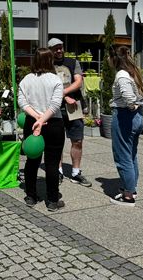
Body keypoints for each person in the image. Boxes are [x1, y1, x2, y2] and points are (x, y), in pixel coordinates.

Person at [18, 47, 65, 211]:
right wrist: (43, 119)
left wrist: (37, 118)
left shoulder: (26, 79)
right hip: (53, 123)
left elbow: (22, 102)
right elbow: (55, 105)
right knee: (52, 163)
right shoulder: (56, 80)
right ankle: (52, 200)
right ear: (50, 61)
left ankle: (31, 195)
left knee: (32, 161)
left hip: (32, 122)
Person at [48, 38, 91, 188]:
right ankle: (58, 171)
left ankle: (75, 173)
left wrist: (64, 92)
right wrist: (64, 97)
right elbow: (47, 86)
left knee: (77, 140)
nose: (59, 50)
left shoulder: (73, 63)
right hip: (55, 108)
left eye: (60, 47)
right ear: (50, 50)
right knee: (57, 142)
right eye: (55, 48)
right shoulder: (47, 65)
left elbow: (78, 81)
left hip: (75, 106)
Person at [109, 45, 143, 207]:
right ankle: (130, 188)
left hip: (125, 116)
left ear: (114, 58)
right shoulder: (132, 72)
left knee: (123, 157)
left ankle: (128, 195)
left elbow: (129, 97)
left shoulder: (121, 75)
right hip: (136, 117)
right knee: (131, 155)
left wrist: (132, 105)